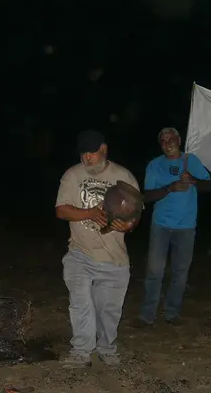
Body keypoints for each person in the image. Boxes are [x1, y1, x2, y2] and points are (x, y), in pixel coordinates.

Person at [55, 129, 140, 369]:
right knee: (81, 303)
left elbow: (135, 217)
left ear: (103, 149)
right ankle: (81, 351)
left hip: (114, 257)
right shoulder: (72, 175)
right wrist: (90, 213)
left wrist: (128, 226)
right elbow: (61, 210)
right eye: (83, 153)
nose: (86, 158)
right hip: (80, 252)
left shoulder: (124, 177)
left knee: (108, 310)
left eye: (91, 153)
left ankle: (107, 348)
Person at [131, 127, 211, 328]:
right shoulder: (155, 165)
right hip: (161, 225)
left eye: (171, 139)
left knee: (180, 272)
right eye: (163, 141)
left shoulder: (191, 161)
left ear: (179, 140)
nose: (168, 143)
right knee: (155, 271)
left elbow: (208, 186)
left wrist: (192, 180)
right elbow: (147, 196)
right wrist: (170, 188)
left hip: (186, 226)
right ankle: (147, 315)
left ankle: (172, 312)